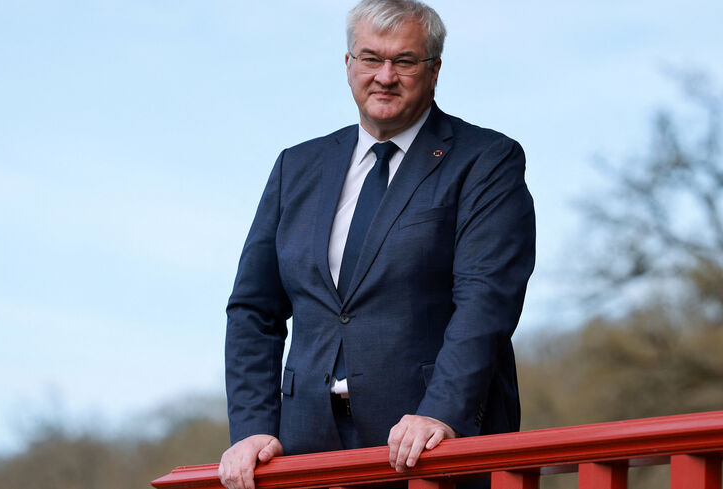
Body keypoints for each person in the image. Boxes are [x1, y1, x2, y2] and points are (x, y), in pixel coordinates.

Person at [218, 1, 535, 488]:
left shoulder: (486, 161)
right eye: (370, 59)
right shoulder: (295, 168)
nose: (385, 76)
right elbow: (253, 311)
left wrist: (441, 413)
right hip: (305, 448)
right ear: (348, 66)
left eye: (404, 61)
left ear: (434, 70)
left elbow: (486, 302)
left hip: (429, 446)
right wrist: (253, 428)